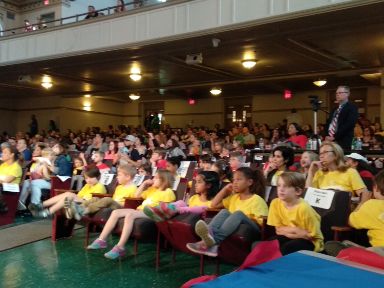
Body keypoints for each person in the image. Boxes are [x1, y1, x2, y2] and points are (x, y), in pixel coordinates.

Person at [87, 170, 175, 259]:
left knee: (130, 215)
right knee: (115, 212)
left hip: (152, 213)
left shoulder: (168, 192)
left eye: (156, 178)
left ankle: (120, 247)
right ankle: (101, 240)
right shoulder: (152, 190)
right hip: (140, 211)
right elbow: (136, 195)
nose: (153, 179)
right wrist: (144, 184)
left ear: (164, 180)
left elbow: (164, 209)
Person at [186, 167, 268, 257]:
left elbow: (262, 224)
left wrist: (243, 219)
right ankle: (209, 239)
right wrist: (224, 190)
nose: (235, 182)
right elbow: (213, 205)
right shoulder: (234, 197)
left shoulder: (257, 200)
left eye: (239, 179)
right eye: (233, 180)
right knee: (225, 211)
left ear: (250, 182)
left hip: (254, 231)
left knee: (238, 214)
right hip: (235, 228)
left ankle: (213, 241)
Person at [324, 169, 384, 257]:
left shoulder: (372, 205)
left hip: (380, 251)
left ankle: (358, 253)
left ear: (376, 188)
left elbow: (350, 222)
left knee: (376, 251)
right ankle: (361, 251)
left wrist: (362, 202)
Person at [267, 172, 324, 255]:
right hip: (291, 236)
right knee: (269, 245)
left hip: (312, 243)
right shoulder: (275, 203)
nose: (281, 189)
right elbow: (278, 230)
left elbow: (310, 236)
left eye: (286, 186)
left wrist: (287, 230)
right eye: (279, 185)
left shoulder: (304, 208)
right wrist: (296, 230)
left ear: (298, 191)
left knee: (287, 248)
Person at [305, 141, 370, 203]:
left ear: (336, 154)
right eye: (320, 154)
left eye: (325, 152)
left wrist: (348, 200)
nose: (321, 156)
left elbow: (365, 196)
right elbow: (308, 196)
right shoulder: (319, 173)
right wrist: (310, 172)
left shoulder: (350, 172)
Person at [65, 164, 137, 220]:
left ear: (128, 177)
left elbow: (131, 204)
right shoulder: (119, 187)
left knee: (107, 199)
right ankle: (77, 208)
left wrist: (112, 202)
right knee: (95, 198)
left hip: (122, 208)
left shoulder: (133, 188)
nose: (117, 177)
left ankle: (83, 211)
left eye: (119, 175)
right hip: (113, 204)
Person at [28, 167, 105, 218]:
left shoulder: (100, 187)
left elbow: (94, 202)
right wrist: (76, 198)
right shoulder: (87, 185)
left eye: (91, 178)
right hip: (79, 202)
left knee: (69, 195)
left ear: (97, 177)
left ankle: (42, 207)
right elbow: (79, 195)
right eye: (86, 178)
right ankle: (45, 211)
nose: (88, 180)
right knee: (67, 196)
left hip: (87, 206)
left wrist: (76, 198)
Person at [143, 171, 220, 221]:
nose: (195, 185)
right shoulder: (194, 198)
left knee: (202, 208)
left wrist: (180, 209)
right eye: (196, 182)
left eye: (199, 182)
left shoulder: (214, 201)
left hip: (200, 223)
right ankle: (164, 209)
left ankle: (168, 209)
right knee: (180, 202)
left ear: (209, 185)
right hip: (186, 219)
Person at [325, 86, 359, 150]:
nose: (337, 95)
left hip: (343, 141)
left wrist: (335, 137)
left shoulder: (352, 107)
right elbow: (329, 123)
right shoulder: (334, 109)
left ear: (347, 94)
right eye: (336, 93)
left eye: (340, 93)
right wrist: (327, 135)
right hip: (330, 140)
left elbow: (349, 124)